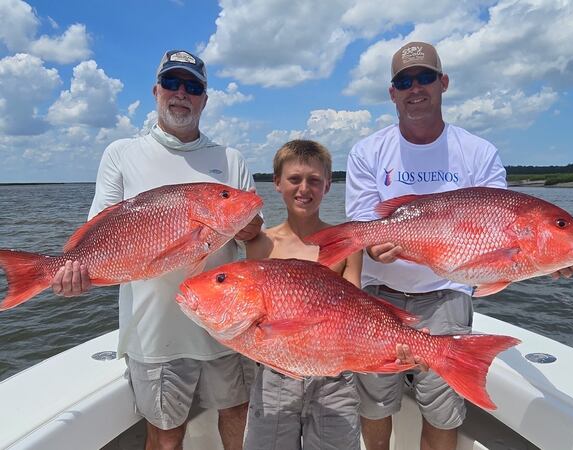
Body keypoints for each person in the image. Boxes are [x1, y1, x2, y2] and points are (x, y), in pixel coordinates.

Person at [345, 41, 573, 450]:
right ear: (392, 93)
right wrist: (373, 245)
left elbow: (500, 236)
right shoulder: (367, 151)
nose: (415, 87)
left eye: (425, 77)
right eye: (404, 81)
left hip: (446, 295)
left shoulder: (479, 153)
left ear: (443, 83)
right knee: (374, 403)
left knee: (443, 408)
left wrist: (552, 259)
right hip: (379, 295)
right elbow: (363, 224)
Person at [51, 50, 262, 450]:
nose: (181, 93)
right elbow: (99, 232)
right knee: (165, 436)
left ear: (204, 99)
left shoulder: (229, 159)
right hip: (153, 334)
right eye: (172, 82)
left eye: (193, 86)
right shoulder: (121, 153)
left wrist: (251, 230)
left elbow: (251, 238)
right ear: (155, 91)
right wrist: (76, 271)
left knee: (237, 413)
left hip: (226, 328)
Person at [243, 139, 364, 450]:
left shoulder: (347, 242)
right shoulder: (260, 244)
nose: (304, 189)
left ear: (328, 185)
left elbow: (359, 311)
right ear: (277, 183)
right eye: (294, 179)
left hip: (334, 377)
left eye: (314, 180)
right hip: (276, 375)